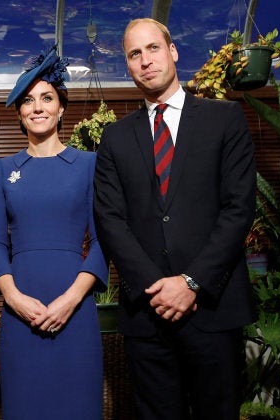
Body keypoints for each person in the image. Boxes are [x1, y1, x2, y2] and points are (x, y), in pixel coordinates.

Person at [93, 18, 257, 420]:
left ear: (173, 51)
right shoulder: (114, 138)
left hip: (213, 310)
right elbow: (110, 220)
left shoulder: (225, 119)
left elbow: (239, 209)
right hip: (146, 317)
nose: (146, 60)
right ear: (128, 66)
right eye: (135, 54)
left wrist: (191, 282)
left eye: (153, 48)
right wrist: (156, 287)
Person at [0, 45, 109, 419]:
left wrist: (70, 300)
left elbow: (104, 240)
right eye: (28, 101)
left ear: (61, 108)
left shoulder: (89, 164)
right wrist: (14, 298)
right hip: (19, 311)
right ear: (20, 113)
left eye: (46, 98)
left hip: (77, 309)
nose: (37, 107)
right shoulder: (3, 170)